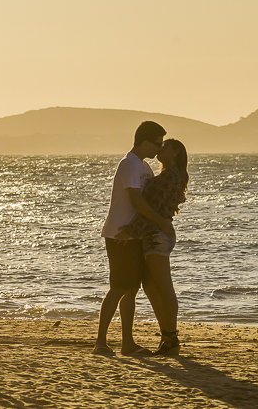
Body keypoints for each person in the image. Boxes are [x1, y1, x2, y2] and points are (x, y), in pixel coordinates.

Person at [93, 121, 173, 356]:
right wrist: (161, 221)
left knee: (131, 290)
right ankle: (100, 342)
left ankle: (127, 343)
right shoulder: (129, 164)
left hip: (133, 235)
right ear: (145, 142)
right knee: (118, 287)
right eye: (157, 144)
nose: (159, 149)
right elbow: (136, 200)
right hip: (120, 234)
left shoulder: (144, 167)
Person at [116, 138, 190, 355]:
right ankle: (167, 336)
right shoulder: (167, 175)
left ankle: (171, 339)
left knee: (164, 288)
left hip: (157, 235)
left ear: (175, 152)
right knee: (150, 286)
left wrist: (131, 229)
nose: (160, 149)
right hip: (152, 234)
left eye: (165, 146)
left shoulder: (170, 177)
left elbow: (153, 209)